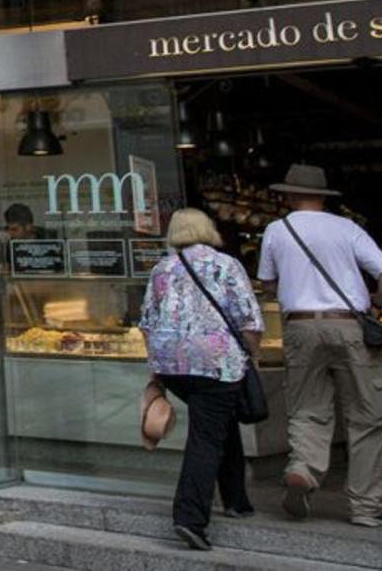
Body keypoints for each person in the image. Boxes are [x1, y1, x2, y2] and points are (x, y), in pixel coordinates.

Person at [257, 164, 382, 529]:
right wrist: (379, 303)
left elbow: (267, 284)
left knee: (307, 408)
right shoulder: (347, 228)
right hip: (349, 325)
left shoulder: (277, 230)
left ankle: (303, 470)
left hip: (300, 328)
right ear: (324, 197)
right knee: (369, 415)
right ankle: (366, 507)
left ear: (289, 195)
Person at [138, 207, 261, 551]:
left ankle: (237, 500)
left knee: (220, 422)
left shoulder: (162, 269)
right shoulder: (226, 265)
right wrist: (253, 354)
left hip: (173, 366)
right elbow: (249, 320)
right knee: (207, 436)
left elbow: (147, 322)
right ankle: (189, 518)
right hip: (216, 364)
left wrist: (156, 370)